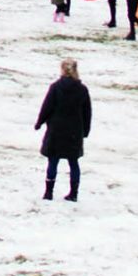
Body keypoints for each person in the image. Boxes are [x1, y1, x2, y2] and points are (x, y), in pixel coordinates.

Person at [35, 57, 92, 201]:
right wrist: (85, 131)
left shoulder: (55, 87)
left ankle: (49, 192)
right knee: (73, 162)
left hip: (56, 129)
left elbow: (47, 107)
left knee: (53, 161)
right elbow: (87, 112)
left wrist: (39, 122)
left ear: (62, 70)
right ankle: (74, 193)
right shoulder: (82, 90)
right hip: (74, 131)